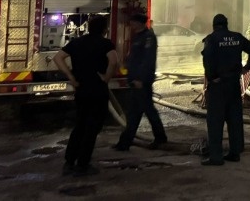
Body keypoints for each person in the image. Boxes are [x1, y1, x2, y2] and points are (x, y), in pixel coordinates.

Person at [53, 15, 118, 177]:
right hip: (97, 89)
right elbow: (114, 61)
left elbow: (58, 58)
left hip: (81, 89)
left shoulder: (77, 42)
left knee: (80, 125)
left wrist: (71, 77)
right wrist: (107, 77)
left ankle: (69, 161)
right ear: (104, 29)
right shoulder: (106, 44)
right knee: (93, 127)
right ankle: (83, 164)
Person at [201, 13, 250, 166]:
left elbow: (207, 59)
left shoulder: (211, 39)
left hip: (218, 86)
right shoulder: (237, 37)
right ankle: (235, 152)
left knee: (215, 120)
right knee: (234, 119)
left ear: (214, 26)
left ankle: (216, 157)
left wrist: (212, 77)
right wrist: (248, 67)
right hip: (234, 85)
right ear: (227, 24)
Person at [114, 14, 167, 151]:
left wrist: (140, 79)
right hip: (135, 81)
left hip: (141, 82)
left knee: (147, 111)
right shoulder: (139, 36)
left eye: (133, 22)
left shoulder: (148, 37)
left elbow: (148, 61)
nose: (131, 24)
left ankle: (160, 139)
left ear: (139, 23)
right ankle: (125, 143)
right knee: (135, 112)